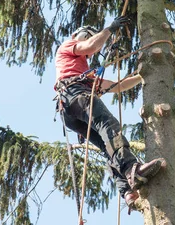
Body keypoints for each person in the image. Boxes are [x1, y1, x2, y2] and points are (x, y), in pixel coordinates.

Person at [55, 16, 165, 210]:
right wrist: (109, 29)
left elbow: (118, 86)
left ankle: (127, 191)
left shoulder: (85, 74)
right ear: (79, 35)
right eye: (88, 35)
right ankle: (132, 169)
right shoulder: (68, 46)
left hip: (71, 111)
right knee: (108, 125)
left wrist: (141, 77)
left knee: (108, 148)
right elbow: (89, 46)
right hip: (74, 96)